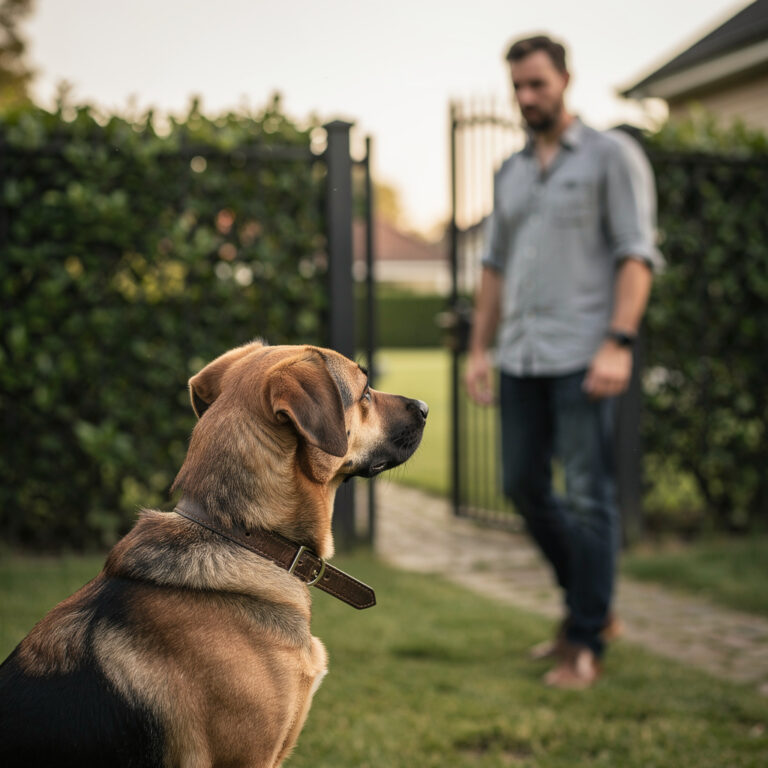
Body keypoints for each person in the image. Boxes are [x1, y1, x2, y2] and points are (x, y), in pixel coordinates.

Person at [465, 34, 662, 689]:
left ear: (566, 81)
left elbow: (636, 254)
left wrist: (619, 342)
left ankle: (584, 639)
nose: (526, 98)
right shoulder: (511, 171)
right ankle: (593, 609)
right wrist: (478, 349)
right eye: (518, 87)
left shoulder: (612, 157)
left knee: (588, 498)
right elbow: (492, 267)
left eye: (537, 85)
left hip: (585, 356)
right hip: (520, 355)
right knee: (522, 485)